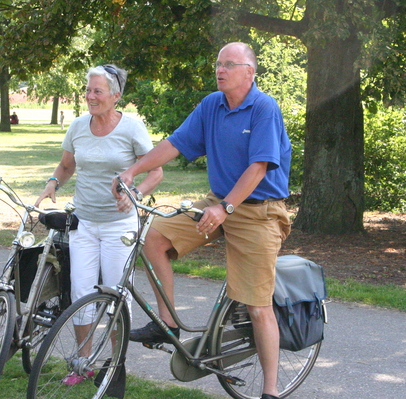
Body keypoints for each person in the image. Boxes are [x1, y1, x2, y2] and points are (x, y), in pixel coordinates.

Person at [113, 42, 292, 399]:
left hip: (258, 211)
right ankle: (167, 323)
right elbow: (175, 144)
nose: (220, 70)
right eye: (217, 63)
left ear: (249, 71)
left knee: (258, 307)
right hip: (218, 202)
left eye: (229, 64)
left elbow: (258, 168)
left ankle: (270, 391)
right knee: (154, 237)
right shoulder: (212, 104)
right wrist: (132, 170)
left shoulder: (264, 108)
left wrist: (225, 208)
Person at [35, 64, 163, 387]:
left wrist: (134, 193)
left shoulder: (132, 127)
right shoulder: (78, 127)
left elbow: (156, 173)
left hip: (120, 225)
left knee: (117, 294)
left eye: (97, 91)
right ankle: (82, 362)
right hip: (85, 223)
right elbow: (66, 165)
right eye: (88, 90)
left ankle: (116, 365)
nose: (90, 96)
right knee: (81, 292)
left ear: (115, 96)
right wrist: (53, 182)